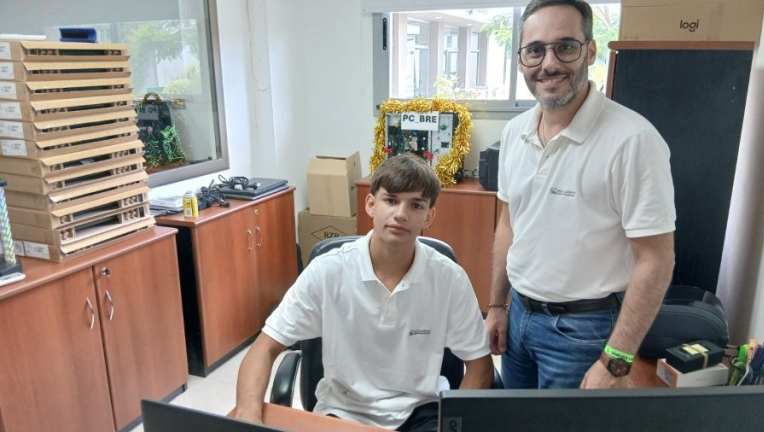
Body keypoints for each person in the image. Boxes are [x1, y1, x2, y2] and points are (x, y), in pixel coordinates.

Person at [486, 0, 676, 390]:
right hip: (519, 317)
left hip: (585, 333)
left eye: (565, 47)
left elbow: (656, 259)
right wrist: (497, 305)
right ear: (521, 60)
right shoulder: (514, 132)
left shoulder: (634, 140)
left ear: (590, 51)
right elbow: (508, 223)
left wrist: (617, 361)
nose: (549, 63)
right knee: (515, 420)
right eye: (535, 50)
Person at [236, 154, 494, 431]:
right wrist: (248, 416)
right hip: (343, 411)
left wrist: (452, 424)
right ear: (371, 204)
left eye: (416, 205)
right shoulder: (328, 271)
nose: (401, 214)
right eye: (391, 200)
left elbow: (480, 366)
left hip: (422, 413)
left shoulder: (449, 278)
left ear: (429, 216)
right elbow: (264, 347)